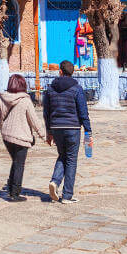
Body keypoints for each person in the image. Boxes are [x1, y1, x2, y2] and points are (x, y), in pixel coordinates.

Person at [43, 60, 91, 204]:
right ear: (72, 72)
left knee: (62, 156)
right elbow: (83, 112)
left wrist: (49, 132)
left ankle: (55, 181)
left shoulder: (50, 89)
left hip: (56, 128)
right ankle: (67, 195)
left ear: (60, 72)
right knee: (71, 160)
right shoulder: (76, 89)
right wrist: (88, 131)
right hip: (73, 128)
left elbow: (46, 112)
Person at [0, 74, 45, 202]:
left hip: (7, 136)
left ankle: (10, 188)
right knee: (19, 164)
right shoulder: (25, 100)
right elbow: (34, 120)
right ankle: (15, 193)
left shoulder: (2, 99)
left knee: (15, 161)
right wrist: (44, 135)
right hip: (21, 137)